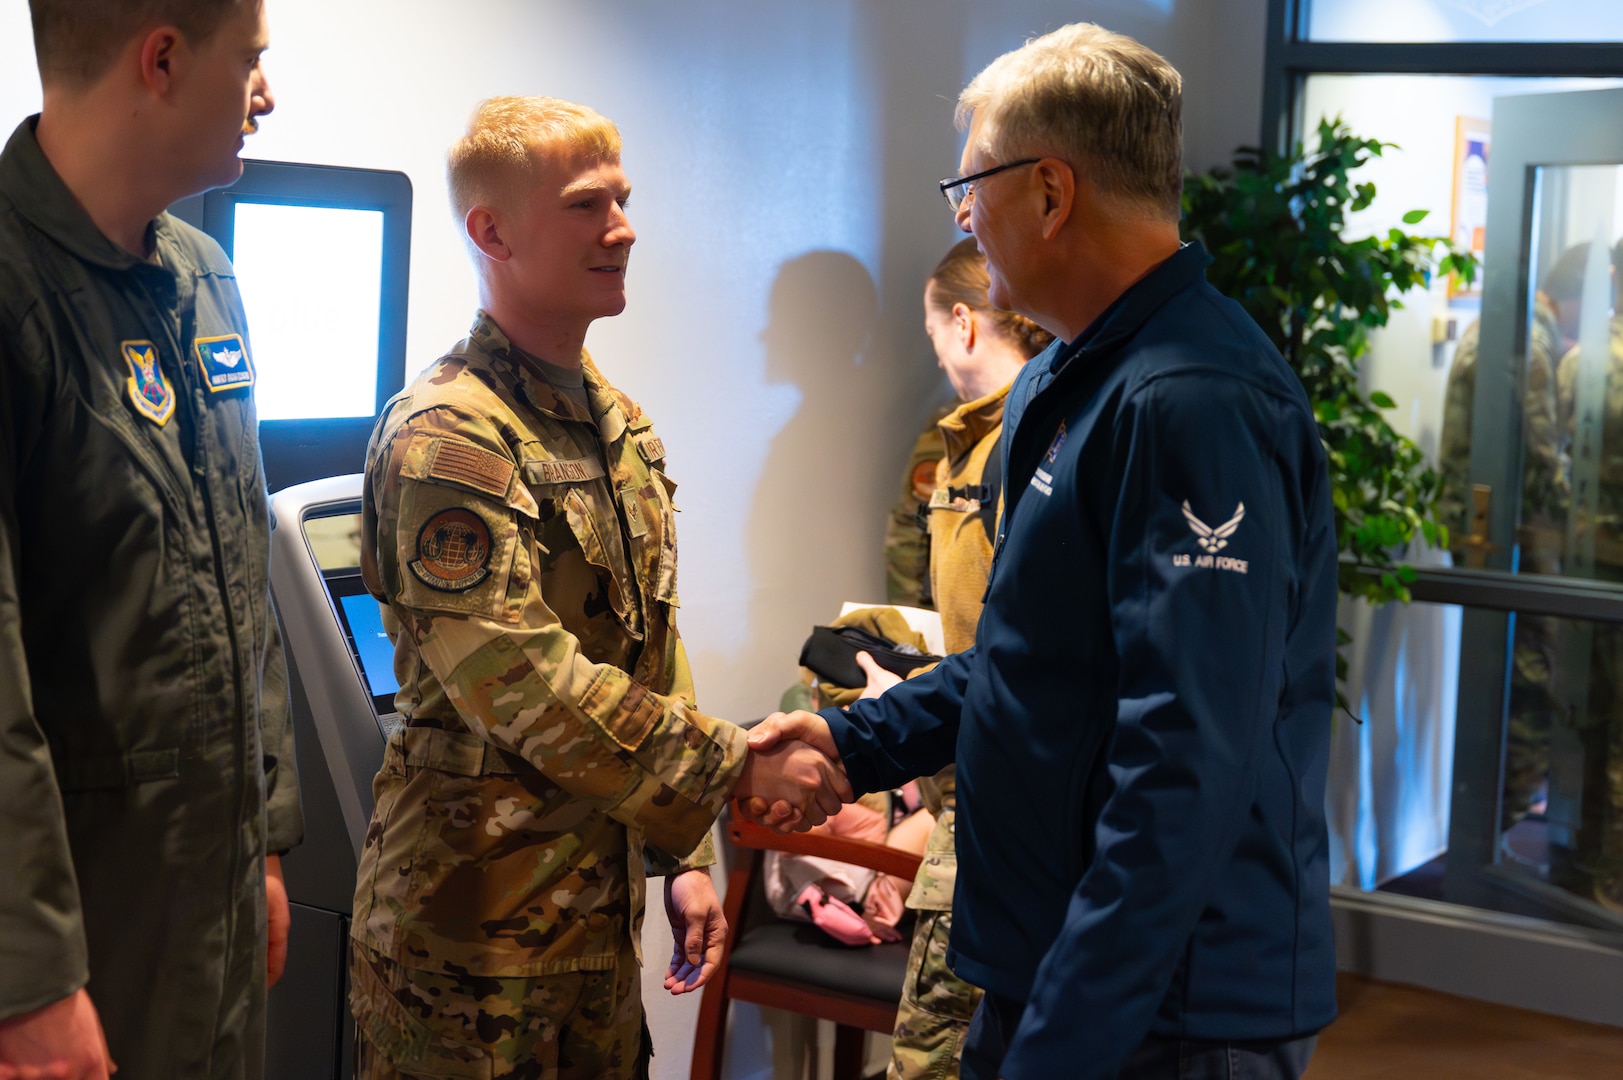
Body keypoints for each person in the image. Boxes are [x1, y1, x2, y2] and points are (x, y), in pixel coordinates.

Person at [749, 23, 1338, 1080]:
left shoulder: (1192, 402)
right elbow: (1030, 661)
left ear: (1052, 193)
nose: (966, 214)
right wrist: (855, 744)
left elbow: (1182, 768)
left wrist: (1064, 1043)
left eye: (970, 185)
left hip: (1159, 1011)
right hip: (1053, 969)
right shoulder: (1070, 386)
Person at [348, 97, 849, 1080]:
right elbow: (522, 680)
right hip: (467, 943)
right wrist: (734, 766)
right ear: (491, 230)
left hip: (590, 928)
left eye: (622, 201)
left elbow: (649, 649)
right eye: (587, 206)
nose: (623, 229)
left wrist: (685, 859)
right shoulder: (450, 434)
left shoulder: (619, 426)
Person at [0, 2, 300, 1078]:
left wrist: (264, 835)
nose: (265, 93)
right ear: (162, 60)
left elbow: (242, 569)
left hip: (207, 892)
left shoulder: (205, 276)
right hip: (79, 912)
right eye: (251, 62)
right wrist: (24, 976)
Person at [884, 237, 1052, 1080]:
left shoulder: (1035, 445)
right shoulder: (962, 441)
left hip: (1002, 801)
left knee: (929, 1056)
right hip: (964, 774)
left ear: (961, 323)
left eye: (930, 330)